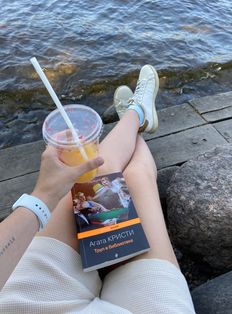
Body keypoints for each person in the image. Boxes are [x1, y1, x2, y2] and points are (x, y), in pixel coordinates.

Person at [0, 65, 196, 313]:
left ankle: (135, 116)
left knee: (96, 179)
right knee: (136, 177)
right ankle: (136, 116)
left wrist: (45, 195)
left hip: (23, 300)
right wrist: (44, 194)